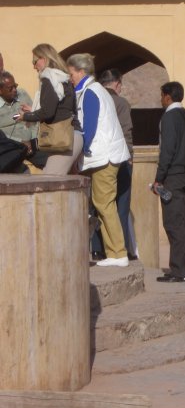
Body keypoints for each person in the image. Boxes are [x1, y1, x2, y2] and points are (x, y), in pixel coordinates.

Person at [66, 52, 130, 268]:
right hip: (104, 155)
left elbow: (89, 127)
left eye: (72, 73)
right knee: (104, 203)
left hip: (103, 156)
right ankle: (115, 251)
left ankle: (118, 252)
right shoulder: (92, 90)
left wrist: (79, 153)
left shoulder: (91, 91)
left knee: (104, 203)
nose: (70, 77)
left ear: (81, 72)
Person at [152, 81, 185, 283]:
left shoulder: (169, 117)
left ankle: (178, 270)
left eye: (162, 95)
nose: (161, 99)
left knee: (173, 223)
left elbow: (167, 150)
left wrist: (159, 177)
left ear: (167, 96)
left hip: (173, 178)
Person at [17, 44, 83, 175]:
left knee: (48, 181)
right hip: (72, 136)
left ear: (44, 59)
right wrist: (33, 110)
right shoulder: (62, 78)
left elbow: (48, 112)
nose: (34, 66)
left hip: (63, 138)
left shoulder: (49, 78)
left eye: (35, 62)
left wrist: (25, 117)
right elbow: (61, 108)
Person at [91, 69, 135, 260]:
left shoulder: (94, 98)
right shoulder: (120, 102)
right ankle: (120, 248)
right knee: (120, 206)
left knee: (99, 205)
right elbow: (126, 131)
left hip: (97, 158)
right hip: (119, 158)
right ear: (117, 84)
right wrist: (129, 155)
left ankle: (97, 247)